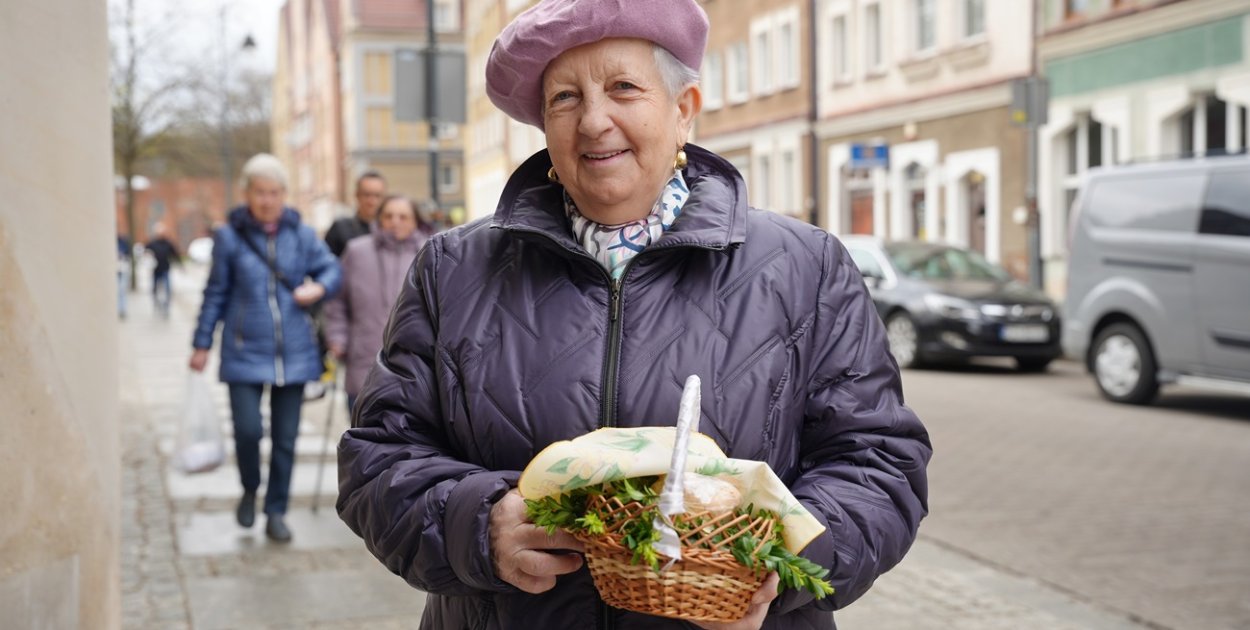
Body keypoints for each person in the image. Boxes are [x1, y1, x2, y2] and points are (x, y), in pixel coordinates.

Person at [335, 1, 931, 628]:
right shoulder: (453, 269)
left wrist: (779, 560)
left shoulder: (805, 268)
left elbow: (878, 460)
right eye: (565, 98)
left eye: (623, 87)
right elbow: (378, 457)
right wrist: (476, 524)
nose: (594, 121)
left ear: (683, 112)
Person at [189, 153, 341, 543]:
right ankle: (249, 487)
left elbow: (331, 269)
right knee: (247, 430)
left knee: (286, 439)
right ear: (246, 194)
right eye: (260, 192)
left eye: (274, 193)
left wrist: (318, 286)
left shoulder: (302, 235)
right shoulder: (230, 237)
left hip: (294, 352)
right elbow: (216, 292)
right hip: (243, 349)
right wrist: (202, 343)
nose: (267, 200)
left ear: (284, 195)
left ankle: (276, 510)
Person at [323, 195, 430, 414]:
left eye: (403, 216)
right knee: (362, 434)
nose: (395, 222)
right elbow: (337, 302)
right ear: (379, 219)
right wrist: (337, 338)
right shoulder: (356, 251)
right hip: (363, 357)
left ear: (415, 221)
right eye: (389, 216)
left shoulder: (431, 252)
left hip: (416, 365)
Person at [325, 171, 386, 258]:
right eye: (366, 195)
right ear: (357, 195)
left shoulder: (390, 230)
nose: (372, 201)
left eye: (377, 195)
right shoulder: (340, 228)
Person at [146, 223, 182, 318]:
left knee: (167, 289)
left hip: (165, 269)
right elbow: (146, 251)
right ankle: (156, 302)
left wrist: (180, 265)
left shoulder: (168, 243)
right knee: (155, 288)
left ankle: (166, 307)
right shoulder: (152, 243)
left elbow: (175, 254)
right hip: (155, 270)